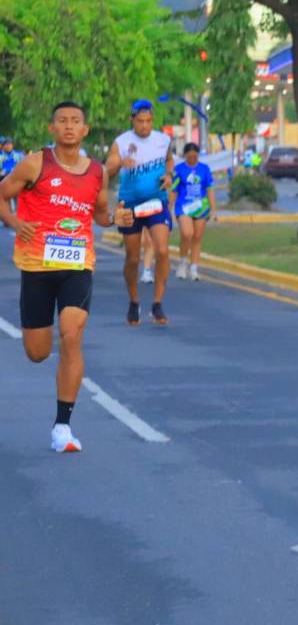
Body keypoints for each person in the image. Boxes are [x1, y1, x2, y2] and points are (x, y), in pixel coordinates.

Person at [0, 101, 133, 452]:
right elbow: (2, 195)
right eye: (62, 121)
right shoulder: (34, 163)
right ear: (52, 128)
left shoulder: (97, 173)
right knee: (38, 352)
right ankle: (53, 355)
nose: (69, 126)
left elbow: (101, 215)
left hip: (77, 265)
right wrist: (14, 222)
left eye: (76, 121)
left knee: (72, 333)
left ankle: (63, 427)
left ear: (85, 130)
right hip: (36, 267)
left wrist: (115, 221)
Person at [106, 99, 174, 326]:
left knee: (162, 250)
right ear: (132, 120)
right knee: (133, 258)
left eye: (148, 121)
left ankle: (157, 303)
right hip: (130, 205)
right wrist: (119, 163)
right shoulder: (121, 142)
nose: (144, 126)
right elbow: (108, 169)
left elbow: (169, 161)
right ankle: (134, 301)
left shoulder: (163, 140)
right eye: (140, 121)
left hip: (156, 202)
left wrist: (169, 175)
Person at [171, 143, 217, 281]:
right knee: (187, 233)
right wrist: (169, 208)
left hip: (201, 207)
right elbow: (174, 190)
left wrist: (214, 210)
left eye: (195, 156)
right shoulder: (179, 170)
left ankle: (194, 268)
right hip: (183, 207)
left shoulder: (204, 169)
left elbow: (209, 190)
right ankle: (183, 262)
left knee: (197, 237)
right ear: (185, 155)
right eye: (189, 156)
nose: (192, 158)